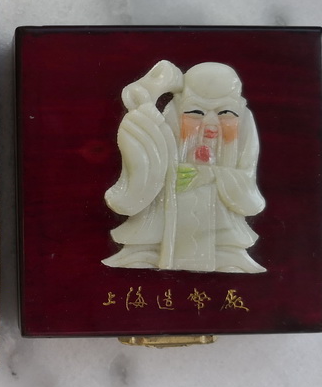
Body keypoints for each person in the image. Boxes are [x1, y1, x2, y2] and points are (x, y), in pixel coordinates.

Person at [102, 61, 266, 273]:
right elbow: (143, 177)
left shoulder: (245, 127)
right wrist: (145, 138)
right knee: (139, 259)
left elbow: (249, 192)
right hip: (159, 232)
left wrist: (212, 174)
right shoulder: (164, 128)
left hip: (223, 238)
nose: (211, 125)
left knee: (233, 265)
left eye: (225, 113)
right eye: (196, 113)